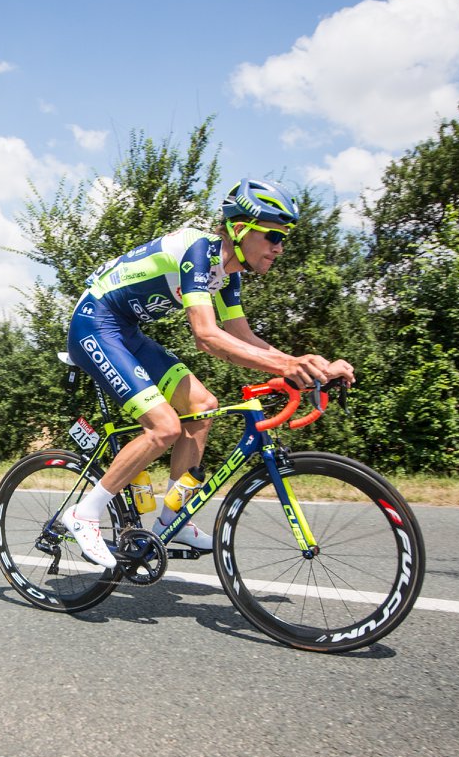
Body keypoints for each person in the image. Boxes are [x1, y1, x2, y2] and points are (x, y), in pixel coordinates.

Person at [61, 179, 356, 568]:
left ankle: (172, 518)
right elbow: (206, 336)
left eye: (283, 239)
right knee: (164, 427)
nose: (279, 247)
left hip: (126, 332)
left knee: (203, 407)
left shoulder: (227, 276)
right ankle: (84, 514)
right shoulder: (199, 250)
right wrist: (287, 365)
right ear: (238, 228)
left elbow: (243, 338)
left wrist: (309, 366)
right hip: (94, 323)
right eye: (272, 236)